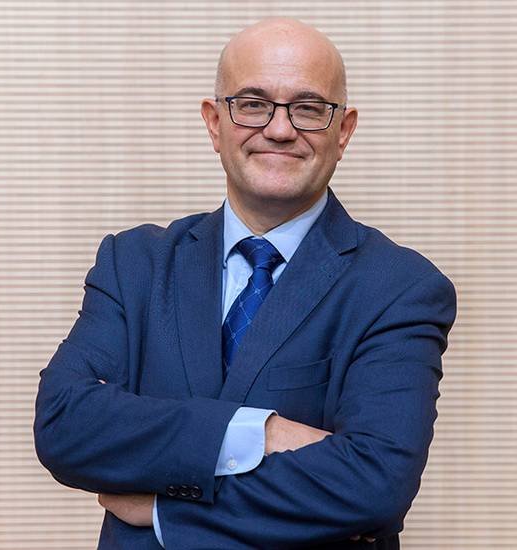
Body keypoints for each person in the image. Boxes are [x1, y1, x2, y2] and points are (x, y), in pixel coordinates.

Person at [33, 17, 457, 549]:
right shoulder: (135, 263)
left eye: (308, 108)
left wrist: (166, 509)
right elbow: (65, 423)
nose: (280, 129)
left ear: (343, 130)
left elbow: (374, 483)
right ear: (214, 122)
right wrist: (261, 433)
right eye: (253, 104)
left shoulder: (401, 287)